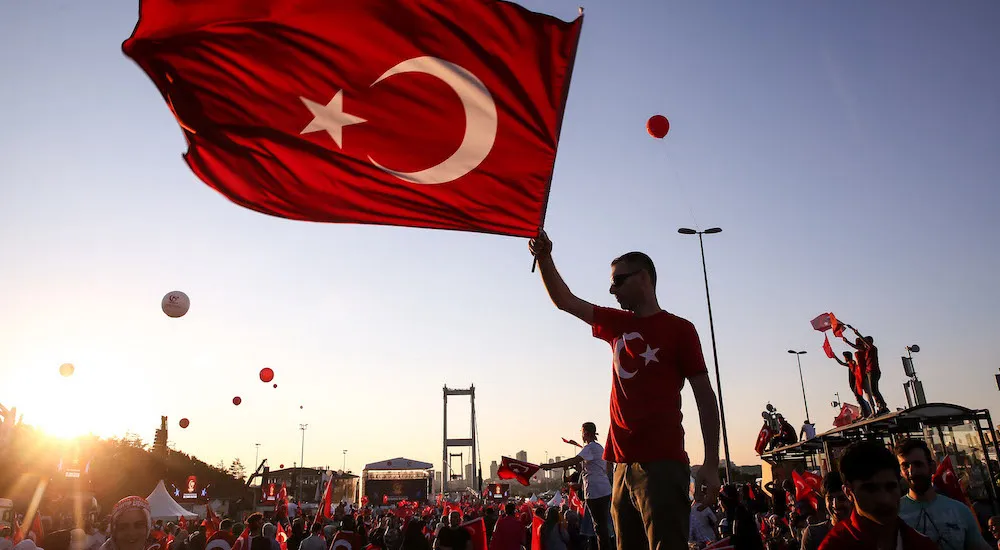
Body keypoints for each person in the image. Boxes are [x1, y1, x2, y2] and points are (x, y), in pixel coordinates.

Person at [529, 231, 722, 550]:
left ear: (643, 278)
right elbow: (566, 301)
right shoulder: (615, 323)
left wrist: (712, 463)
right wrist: (545, 257)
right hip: (620, 468)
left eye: (619, 281)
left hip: (662, 465)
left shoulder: (680, 330)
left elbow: (705, 395)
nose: (611, 288)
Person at [818, 440, 936, 550]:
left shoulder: (920, 544)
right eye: (870, 489)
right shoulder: (835, 545)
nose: (884, 499)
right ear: (848, 491)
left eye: (890, 487)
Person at [894, 439, 991, 550]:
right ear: (900, 472)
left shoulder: (960, 511)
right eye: (905, 466)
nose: (912, 472)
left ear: (932, 467)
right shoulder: (893, 514)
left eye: (918, 464)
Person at [540, 422, 613, 550]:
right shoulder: (598, 447)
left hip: (595, 491)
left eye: (582, 432)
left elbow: (573, 460)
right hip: (603, 489)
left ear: (586, 433)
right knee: (601, 526)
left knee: (599, 527)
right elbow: (587, 467)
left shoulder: (590, 447)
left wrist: (549, 466)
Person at [842, 326, 887, 414]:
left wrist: (857, 333)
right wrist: (847, 342)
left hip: (873, 370)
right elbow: (856, 347)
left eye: (865, 342)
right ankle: (880, 406)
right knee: (874, 390)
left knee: (873, 390)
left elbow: (864, 343)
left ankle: (882, 407)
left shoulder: (872, 348)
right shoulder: (866, 350)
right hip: (869, 371)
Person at [801, 472, 852, 550]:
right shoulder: (814, 534)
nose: (835, 505)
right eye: (830, 499)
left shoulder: (866, 531)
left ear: (851, 498)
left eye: (841, 498)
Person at [830, 351, 872, 418]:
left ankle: (865, 413)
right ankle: (863, 412)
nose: (844, 359)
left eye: (845, 357)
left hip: (856, 382)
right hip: (853, 383)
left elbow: (854, 367)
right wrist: (835, 357)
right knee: (858, 398)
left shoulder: (852, 363)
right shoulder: (849, 364)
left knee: (859, 398)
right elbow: (842, 363)